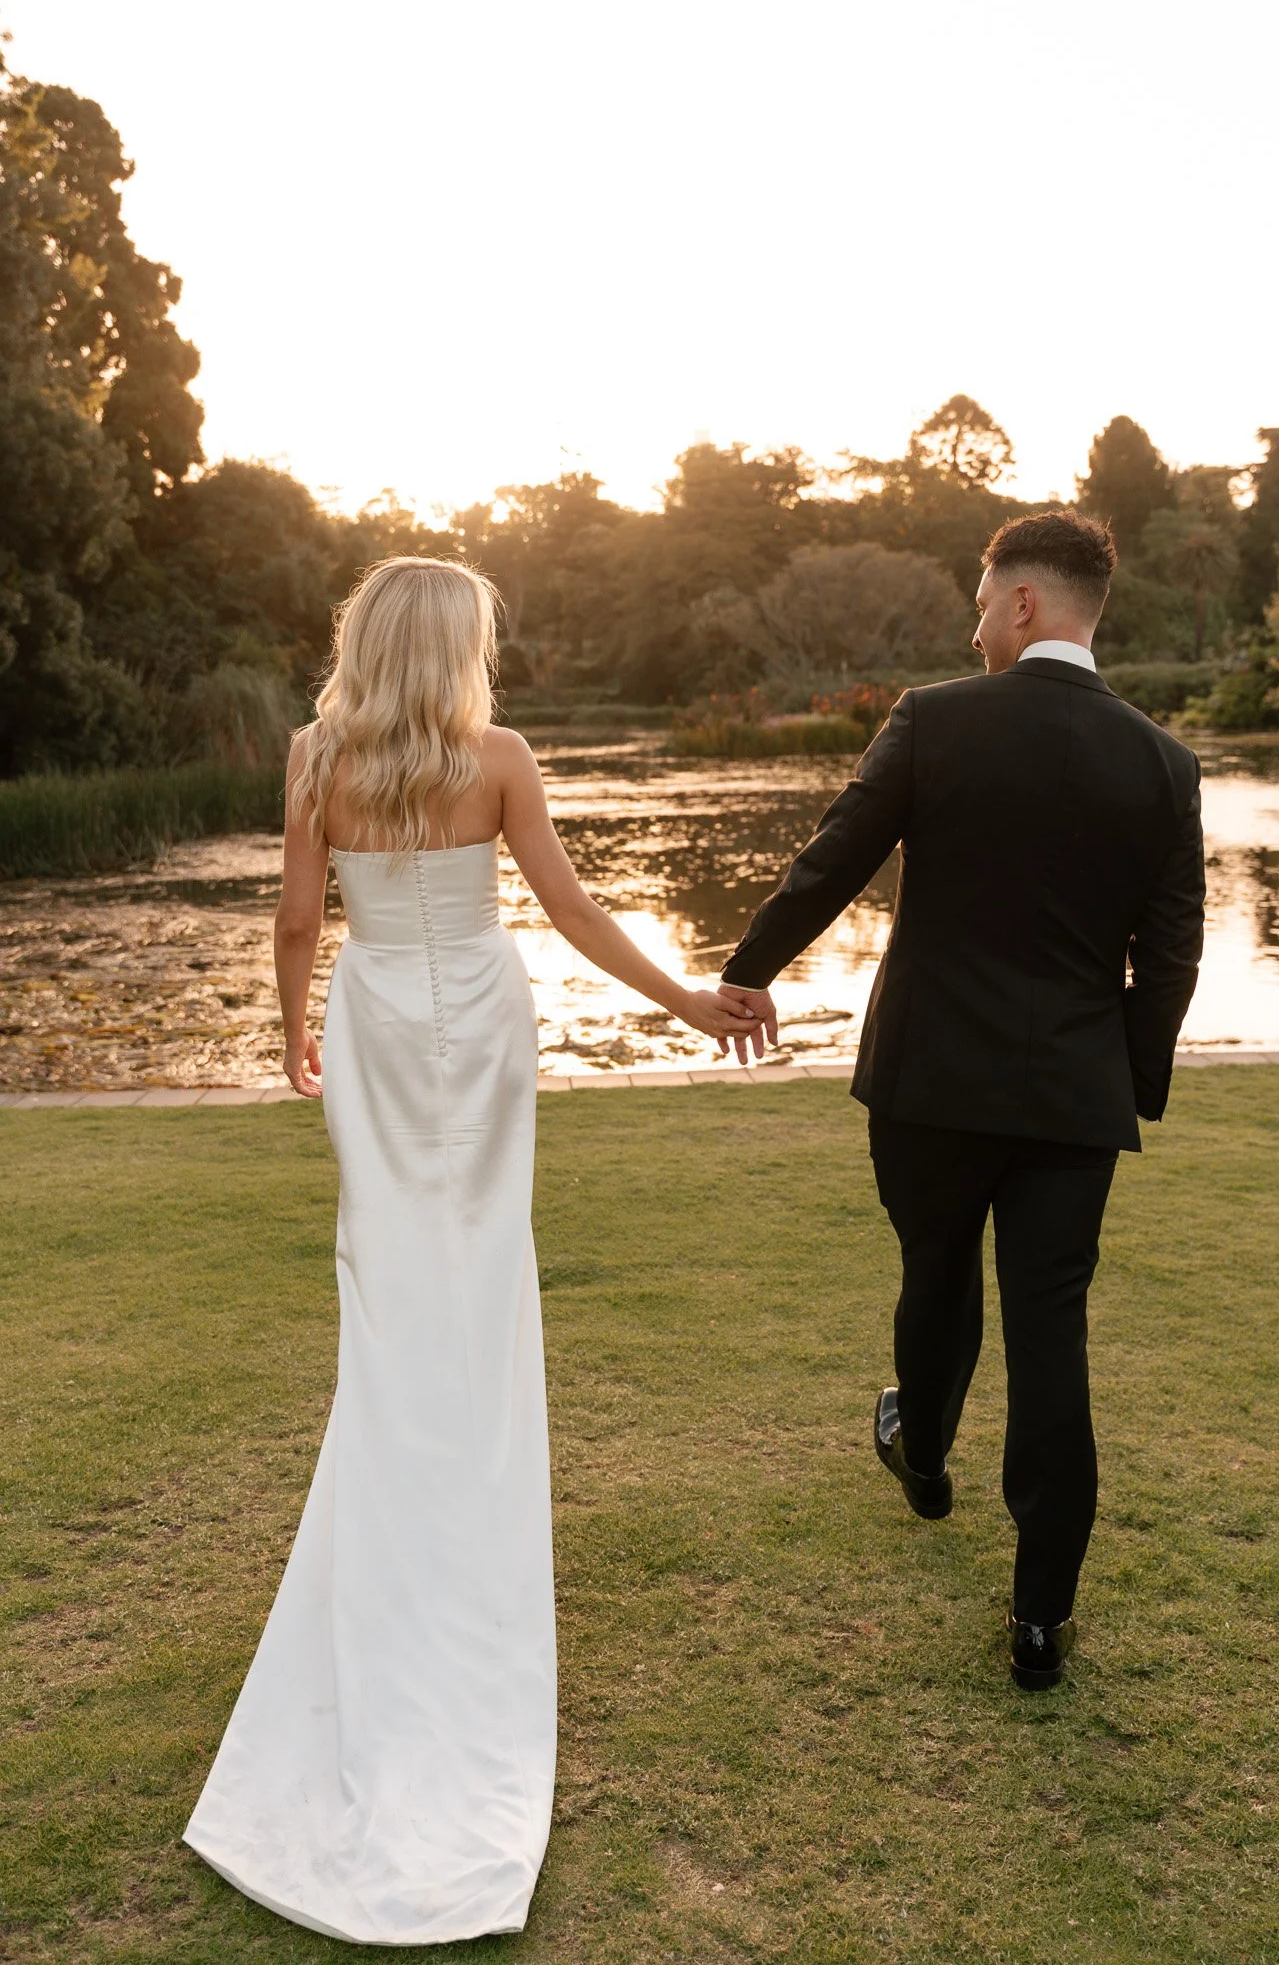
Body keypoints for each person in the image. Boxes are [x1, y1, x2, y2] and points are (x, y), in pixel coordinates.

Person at [183, 557, 758, 1944]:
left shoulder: (318, 752)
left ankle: (403, 1476)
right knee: (477, 1272)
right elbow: (565, 911)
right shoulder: (496, 757)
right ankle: (462, 1488)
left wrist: (289, 1031)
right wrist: (686, 998)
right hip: (482, 1020)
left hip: (380, 1021)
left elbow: (299, 918)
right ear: (458, 646)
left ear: (364, 640)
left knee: (386, 1286)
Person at [716, 510, 1204, 1690]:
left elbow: (832, 858)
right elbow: (1173, 954)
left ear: (1025, 603)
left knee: (934, 1272)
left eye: (982, 599)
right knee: (1053, 1333)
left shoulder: (934, 719)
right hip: (1073, 1101)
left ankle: (923, 1452)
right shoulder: (1163, 762)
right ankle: (1039, 1618)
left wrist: (746, 971)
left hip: (930, 1082)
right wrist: (1121, 1081)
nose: (972, 620)